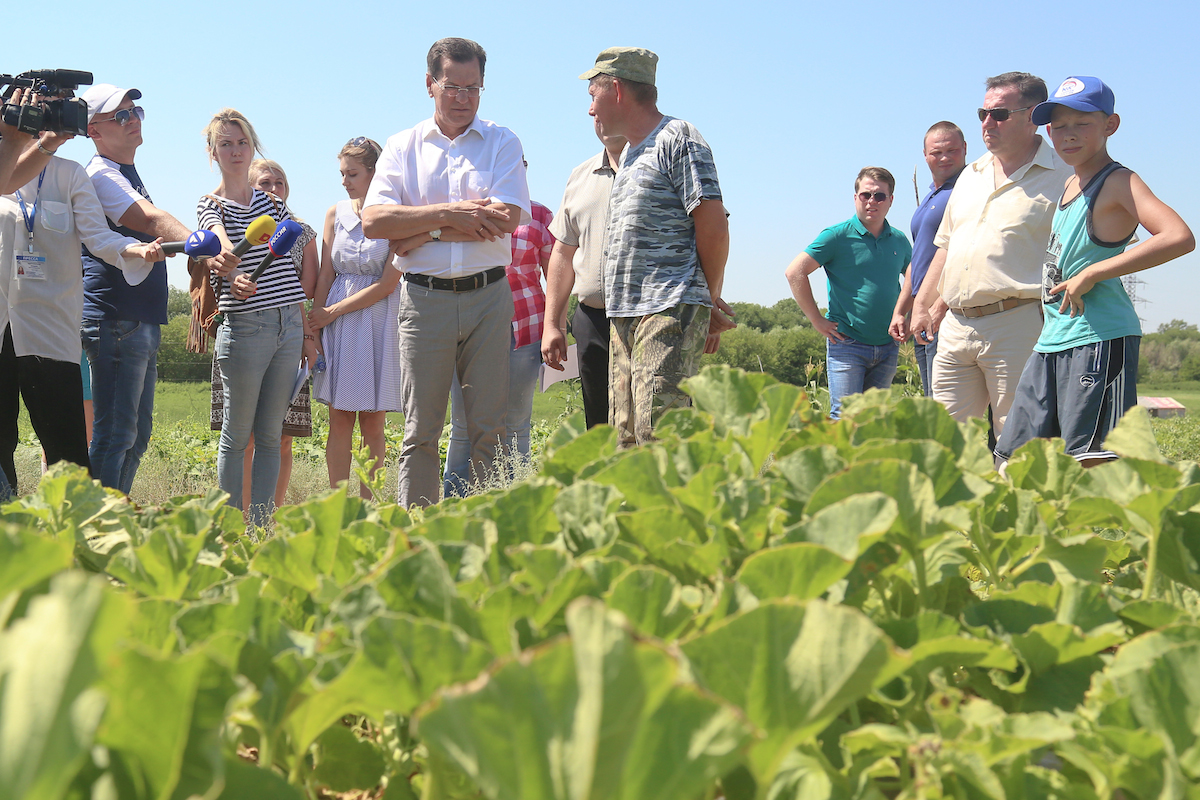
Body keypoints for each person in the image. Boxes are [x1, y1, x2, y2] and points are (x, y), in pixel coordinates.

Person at [362, 37, 530, 507]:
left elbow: (508, 218)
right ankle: (415, 535)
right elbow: (375, 222)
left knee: (488, 427)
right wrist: (454, 214)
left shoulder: (503, 141)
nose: (462, 99)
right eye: (452, 87)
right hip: (424, 299)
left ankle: (479, 535)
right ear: (429, 84)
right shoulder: (402, 146)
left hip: (488, 297)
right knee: (420, 430)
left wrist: (423, 229)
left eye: (473, 88)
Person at [995, 77, 1194, 468]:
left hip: (1099, 337)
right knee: (1017, 457)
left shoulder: (1118, 181)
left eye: (1082, 123)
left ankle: (1157, 513)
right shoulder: (1070, 182)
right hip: (1053, 338)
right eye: (1058, 126)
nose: (1067, 135)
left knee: (1092, 458)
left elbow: (1179, 236)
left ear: (1110, 125)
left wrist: (1094, 273)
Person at [0, 123, 163, 498]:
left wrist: (136, 250)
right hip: (2, 325)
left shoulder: (68, 174)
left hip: (48, 324)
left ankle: (77, 537)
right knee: (1, 438)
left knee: (66, 447)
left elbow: (98, 236)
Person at [582, 46, 733, 447]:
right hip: (624, 316)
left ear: (615, 89)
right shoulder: (631, 153)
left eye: (592, 96)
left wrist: (707, 298)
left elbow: (713, 225)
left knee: (660, 436)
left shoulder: (678, 138)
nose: (591, 110)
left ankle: (680, 511)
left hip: (666, 309)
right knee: (624, 439)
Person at [910, 72, 1072, 442]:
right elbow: (947, 245)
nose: (987, 123)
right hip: (955, 327)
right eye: (982, 113)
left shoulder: (1064, 175)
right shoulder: (971, 175)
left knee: (1018, 441)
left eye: (998, 114)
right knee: (944, 442)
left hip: (1017, 324)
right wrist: (925, 304)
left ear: (1033, 116)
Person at [196, 108, 317, 526]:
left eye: (242, 142)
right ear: (213, 152)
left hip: (288, 324)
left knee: (270, 436)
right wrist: (231, 268)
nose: (235, 150)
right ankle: (231, 528)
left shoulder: (273, 204)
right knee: (237, 436)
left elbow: (287, 264)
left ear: (253, 148)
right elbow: (219, 244)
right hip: (247, 328)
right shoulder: (210, 204)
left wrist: (304, 333)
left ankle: (260, 529)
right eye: (225, 144)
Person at [79, 83, 193, 494]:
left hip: (136, 320)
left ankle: (112, 523)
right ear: (93, 130)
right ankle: (94, 535)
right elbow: (148, 217)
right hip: (116, 320)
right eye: (121, 116)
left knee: (136, 437)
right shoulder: (100, 174)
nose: (133, 120)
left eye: (135, 112)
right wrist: (202, 246)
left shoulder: (124, 171)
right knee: (114, 436)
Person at [309, 137, 406, 498]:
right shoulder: (336, 212)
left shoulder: (396, 213)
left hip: (378, 319)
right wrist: (316, 325)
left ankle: (370, 502)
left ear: (374, 173)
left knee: (373, 419)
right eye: (342, 173)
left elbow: (386, 284)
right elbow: (325, 274)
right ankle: (337, 502)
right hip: (337, 324)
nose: (345, 181)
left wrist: (331, 312)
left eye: (352, 173)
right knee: (339, 416)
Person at [444, 197, 553, 497]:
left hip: (526, 326)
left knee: (517, 423)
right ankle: (455, 506)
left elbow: (554, 270)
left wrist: (555, 325)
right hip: (468, 326)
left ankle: (517, 501)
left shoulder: (540, 215)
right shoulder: (468, 208)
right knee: (464, 425)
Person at [786, 167, 913, 419]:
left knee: (872, 422)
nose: (871, 202)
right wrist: (816, 319)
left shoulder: (899, 240)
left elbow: (915, 279)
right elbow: (795, 272)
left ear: (891, 201)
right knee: (844, 419)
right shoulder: (836, 236)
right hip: (847, 344)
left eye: (879, 196)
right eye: (866, 195)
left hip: (888, 345)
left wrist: (908, 316)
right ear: (855, 198)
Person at [541, 122, 627, 429]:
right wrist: (553, 324)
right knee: (600, 425)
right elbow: (562, 254)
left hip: (651, 318)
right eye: (595, 113)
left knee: (658, 422)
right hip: (593, 319)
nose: (600, 118)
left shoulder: (661, 163)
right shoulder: (580, 176)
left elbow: (711, 229)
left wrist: (708, 300)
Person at [244, 157, 318, 508]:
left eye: (279, 183)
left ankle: (269, 514)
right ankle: (241, 516)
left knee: (284, 437)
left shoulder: (302, 230)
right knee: (244, 437)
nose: (273, 189)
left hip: (291, 333)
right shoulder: (236, 225)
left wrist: (306, 337)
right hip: (246, 330)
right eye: (264, 183)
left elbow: (309, 285)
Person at [888, 122, 967, 397]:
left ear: (965, 150)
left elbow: (969, 253)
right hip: (922, 316)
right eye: (936, 152)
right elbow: (919, 260)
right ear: (924, 155)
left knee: (947, 406)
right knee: (934, 402)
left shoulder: (969, 190)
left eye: (952, 150)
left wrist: (940, 306)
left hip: (946, 314)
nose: (944, 157)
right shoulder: (932, 196)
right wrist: (902, 310)